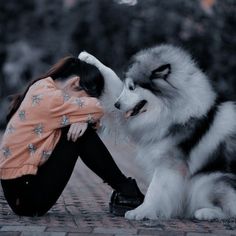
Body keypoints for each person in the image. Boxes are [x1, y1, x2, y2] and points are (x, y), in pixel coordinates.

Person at [0, 56, 144, 217]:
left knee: (79, 131)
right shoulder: (50, 98)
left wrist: (82, 119)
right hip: (26, 198)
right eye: (86, 97)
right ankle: (127, 191)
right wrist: (85, 116)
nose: (86, 102)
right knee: (80, 136)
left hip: (22, 190)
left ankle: (126, 191)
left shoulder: (43, 87)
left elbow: (91, 116)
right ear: (75, 83)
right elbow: (99, 107)